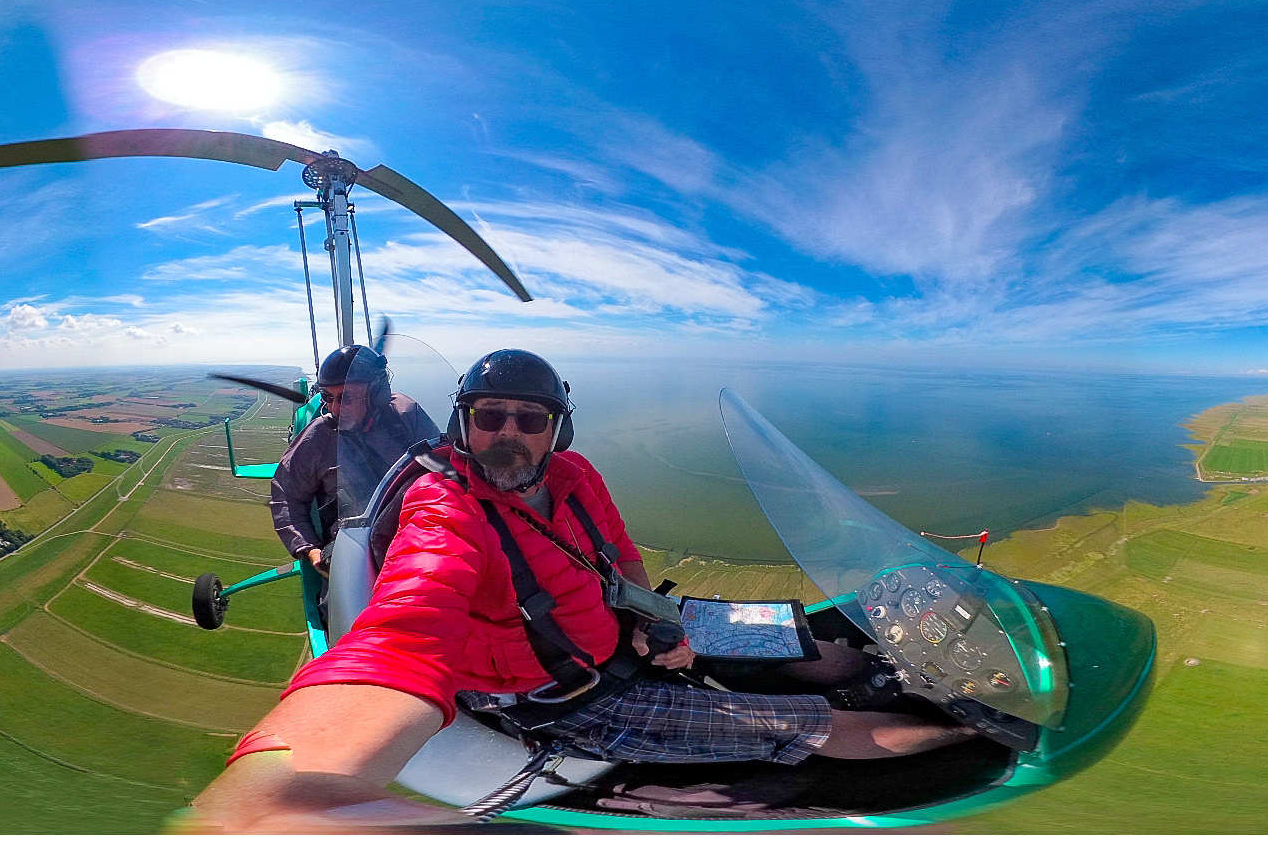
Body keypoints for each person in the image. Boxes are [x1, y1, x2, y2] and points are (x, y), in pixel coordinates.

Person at [189, 349, 972, 832]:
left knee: (804, 642)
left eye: (530, 419)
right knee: (812, 722)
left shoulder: (573, 474)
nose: (508, 432)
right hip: (569, 696)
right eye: (489, 415)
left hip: (625, 630)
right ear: (461, 424)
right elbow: (404, 628)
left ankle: (886, 670)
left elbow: (622, 557)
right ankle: (981, 735)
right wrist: (284, 783)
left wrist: (654, 621)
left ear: (556, 427)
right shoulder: (444, 510)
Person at [270, 344, 440, 575]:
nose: (334, 408)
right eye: (327, 398)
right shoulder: (319, 435)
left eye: (346, 397)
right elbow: (286, 495)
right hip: (355, 553)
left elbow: (442, 469)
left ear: (376, 394)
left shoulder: (404, 415)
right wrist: (310, 549)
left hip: (417, 538)